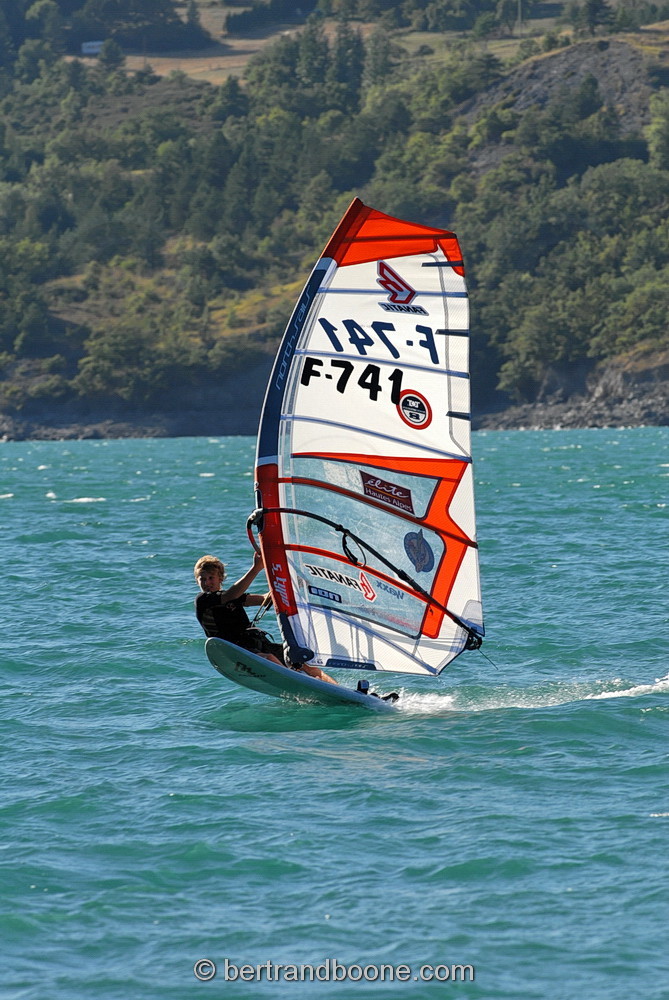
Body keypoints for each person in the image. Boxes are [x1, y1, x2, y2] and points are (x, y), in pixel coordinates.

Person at [193, 552, 338, 684]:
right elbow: (230, 595)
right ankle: (296, 683)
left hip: (254, 644)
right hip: (234, 649)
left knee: (301, 662)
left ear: (220, 578)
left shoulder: (234, 597)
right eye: (202, 579)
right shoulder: (203, 600)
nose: (207, 583)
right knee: (269, 658)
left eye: (211, 578)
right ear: (197, 581)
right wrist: (256, 568)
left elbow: (265, 599)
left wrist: (292, 584)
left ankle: (336, 688)